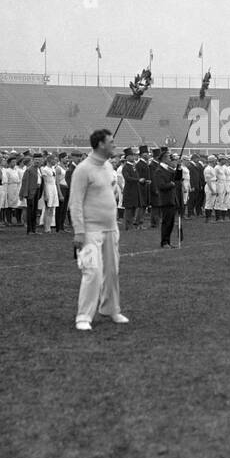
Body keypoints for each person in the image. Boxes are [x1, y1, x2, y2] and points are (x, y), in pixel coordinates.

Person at [70, 128, 129, 332]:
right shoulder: (83, 169)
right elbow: (75, 202)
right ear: (101, 144)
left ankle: (110, 308)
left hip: (111, 229)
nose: (114, 145)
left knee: (112, 272)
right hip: (89, 231)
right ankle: (84, 316)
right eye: (111, 142)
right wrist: (78, 230)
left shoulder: (107, 167)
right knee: (92, 271)